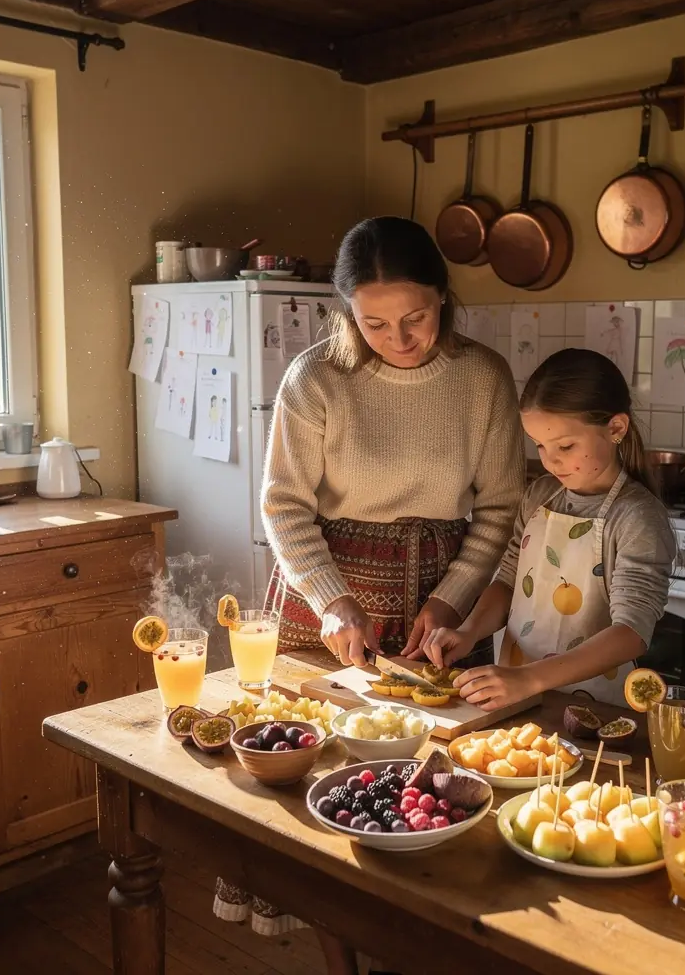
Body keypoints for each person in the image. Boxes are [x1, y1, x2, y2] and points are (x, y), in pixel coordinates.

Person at [213, 216, 525, 975]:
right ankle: (339, 953)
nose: (400, 337)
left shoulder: (482, 376)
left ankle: (414, 943)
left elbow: (499, 507)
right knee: (315, 774)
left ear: (444, 300)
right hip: (327, 580)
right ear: (346, 311)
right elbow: (283, 505)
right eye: (375, 321)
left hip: (438, 579)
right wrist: (332, 601)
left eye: (416, 318)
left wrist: (452, 598)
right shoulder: (315, 378)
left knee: (427, 773)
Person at [413, 348, 674, 712]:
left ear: (616, 428)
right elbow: (508, 580)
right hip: (517, 692)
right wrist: (469, 631)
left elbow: (630, 634)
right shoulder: (541, 495)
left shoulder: (637, 518)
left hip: (591, 708)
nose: (550, 461)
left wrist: (531, 678)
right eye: (539, 445)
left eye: (566, 446)